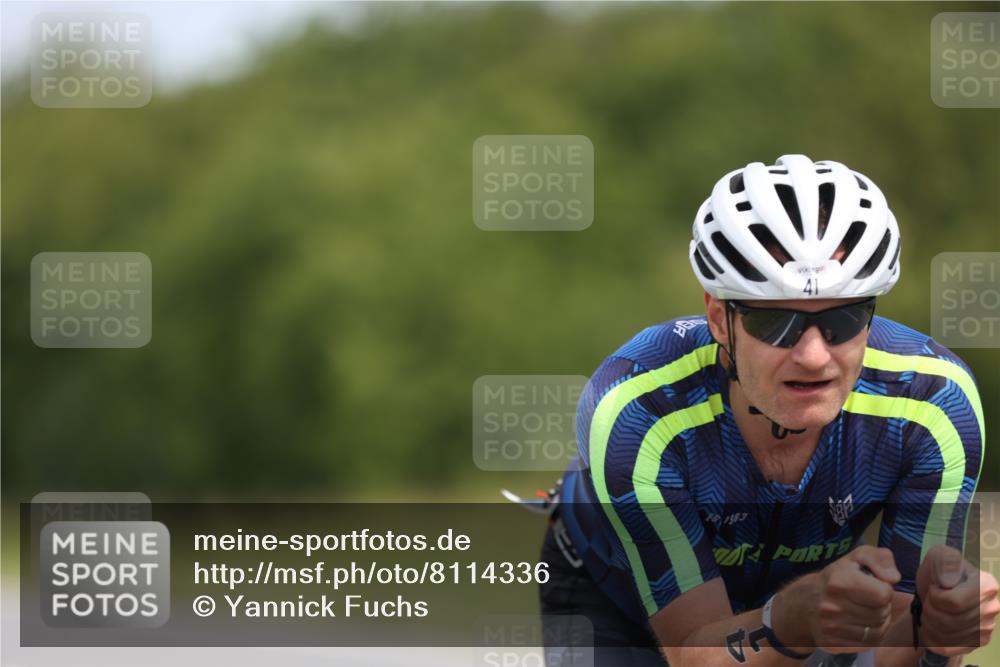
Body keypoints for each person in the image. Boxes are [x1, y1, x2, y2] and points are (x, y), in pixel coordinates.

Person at [539, 154, 998, 667]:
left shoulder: (931, 405)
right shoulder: (637, 409)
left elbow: (904, 647)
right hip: (618, 597)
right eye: (775, 324)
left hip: (811, 601)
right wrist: (790, 620)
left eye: (844, 320)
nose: (813, 356)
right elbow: (693, 654)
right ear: (719, 319)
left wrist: (933, 633)